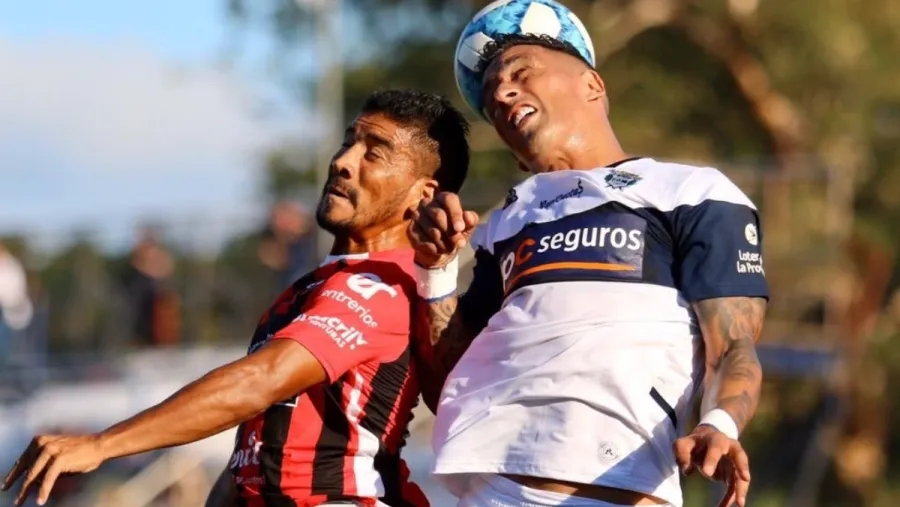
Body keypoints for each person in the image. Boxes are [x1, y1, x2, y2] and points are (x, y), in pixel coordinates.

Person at [1, 89, 471, 507]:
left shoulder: (382, 285)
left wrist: (102, 445)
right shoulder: (312, 286)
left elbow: (259, 382)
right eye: (349, 141)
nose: (343, 161)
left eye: (375, 152)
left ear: (423, 193)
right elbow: (257, 444)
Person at [408, 2, 768, 507]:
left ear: (593, 86)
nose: (502, 93)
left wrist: (720, 423)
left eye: (521, 73)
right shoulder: (505, 223)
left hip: (613, 488)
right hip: (488, 491)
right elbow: (450, 376)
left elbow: (733, 346)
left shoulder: (691, 192)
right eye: (490, 98)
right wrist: (437, 270)